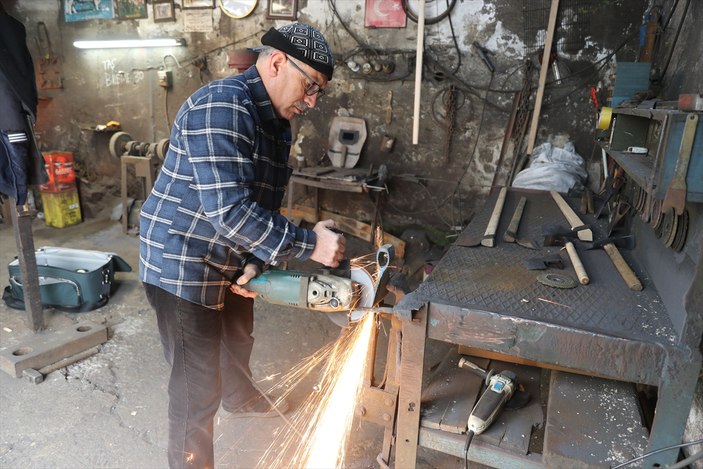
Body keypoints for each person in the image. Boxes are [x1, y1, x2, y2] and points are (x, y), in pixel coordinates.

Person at [139, 23, 345, 469]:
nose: (311, 101)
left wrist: (254, 259)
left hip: (227, 251)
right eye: (310, 86)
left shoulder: (277, 122)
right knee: (196, 386)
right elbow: (230, 213)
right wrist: (309, 243)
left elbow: (261, 201)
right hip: (181, 257)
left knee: (237, 336)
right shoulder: (221, 107)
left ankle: (242, 397)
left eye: (318, 92)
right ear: (275, 63)